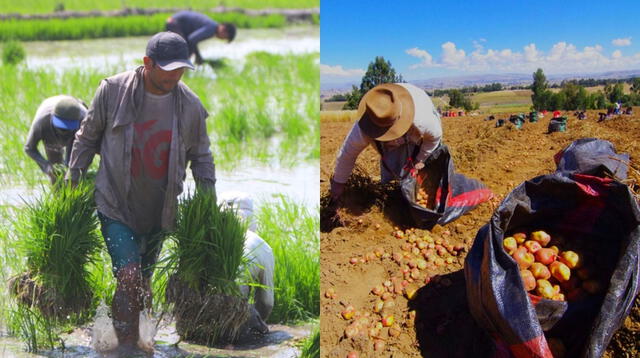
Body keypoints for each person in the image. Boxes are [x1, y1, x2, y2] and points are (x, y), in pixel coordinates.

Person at [66, 31, 216, 353]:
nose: (175, 75)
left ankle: (136, 338)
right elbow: (86, 137)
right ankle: (127, 348)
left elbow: (202, 157)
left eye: (181, 69)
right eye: (168, 68)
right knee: (130, 275)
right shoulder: (113, 91)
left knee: (143, 283)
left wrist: (208, 204)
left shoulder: (189, 105)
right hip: (115, 203)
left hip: (159, 210)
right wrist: (73, 180)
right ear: (147, 63)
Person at [329, 83, 442, 205]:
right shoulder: (364, 126)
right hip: (389, 149)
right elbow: (347, 155)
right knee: (391, 180)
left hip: (417, 136)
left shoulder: (422, 120)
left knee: (425, 174)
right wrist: (338, 184)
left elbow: (434, 138)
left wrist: (419, 160)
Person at [219, 192, 274, 334]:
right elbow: (267, 301)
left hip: (211, 308)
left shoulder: (215, 238)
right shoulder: (264, 248)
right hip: (236, 309)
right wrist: (259, 320)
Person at [24, 95, 87, 184]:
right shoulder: (42, 122)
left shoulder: (84, 119)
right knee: (56, 173)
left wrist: (75, 169)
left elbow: (90, 146)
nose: (65, 132)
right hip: (50, 135)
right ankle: (57, 194)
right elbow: (29, 148)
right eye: (62, 128)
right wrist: (46, 166)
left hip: (76, 136)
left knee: (73, 174)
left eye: (68, 128)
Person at [165, 10, 237, 65]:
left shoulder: (212, 27)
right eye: (224, 37)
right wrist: (191, 57)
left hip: (176, 23)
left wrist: (197, 56)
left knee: (180, 50)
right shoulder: (211, 29)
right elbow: (192, 40)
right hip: (174, 23)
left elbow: (193, 41)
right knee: (181, 49)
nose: (222, 39)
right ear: (223, 30)